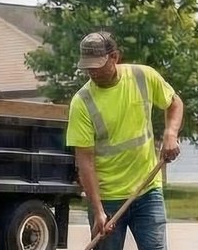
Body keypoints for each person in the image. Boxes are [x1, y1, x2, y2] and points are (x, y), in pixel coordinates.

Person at [67, 31, 184, 250]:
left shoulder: (143, 77)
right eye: (87, 66)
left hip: (147, 190)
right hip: (107, 198)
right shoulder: (81, 102)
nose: (92, 71)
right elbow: (85, 162)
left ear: (115, 57)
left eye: (98, 64)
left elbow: (174, 103)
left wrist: (170, 134)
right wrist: (98, 210)